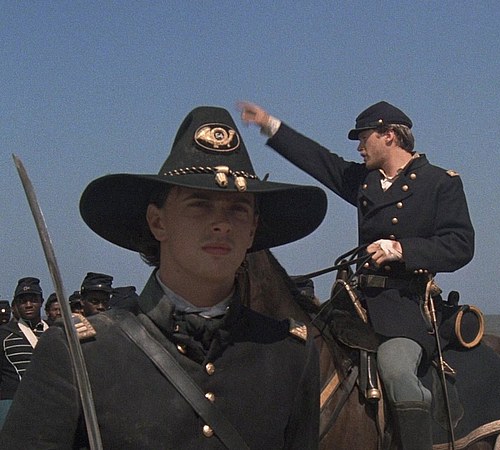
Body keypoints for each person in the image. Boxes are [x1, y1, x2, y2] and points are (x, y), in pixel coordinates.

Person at [0, 106, 327, 448]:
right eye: (199, 204)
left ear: (252, 230)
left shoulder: (288, 354)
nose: (221, 223)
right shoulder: (80, 353)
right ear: (158, 222)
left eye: (238, 209)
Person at [239, 100, 475, 449]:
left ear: (389, 135)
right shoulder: (365, 181)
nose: (359, 147)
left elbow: (460, 245)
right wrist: (270, 125)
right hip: (353, 303)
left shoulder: (439, 183)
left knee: (397, 374)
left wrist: (402, 250)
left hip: (403, 308)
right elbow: (320, 161)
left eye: (364, 138)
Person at [0, 277, 49, 401]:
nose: (28, 305)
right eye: (23, 301)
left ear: (41, 301)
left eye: (33, 300)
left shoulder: (55, 331)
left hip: (51, 402)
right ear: (16, 304)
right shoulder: (4, 335)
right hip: (15, 403)